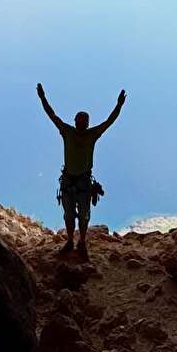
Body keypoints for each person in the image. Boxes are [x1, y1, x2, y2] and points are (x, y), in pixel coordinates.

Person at [37, 82, 126, 259]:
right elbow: (52, 115)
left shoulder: (91, 134)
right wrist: (43, 98)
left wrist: (119, 105)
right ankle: (71, 241)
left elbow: (109, 121)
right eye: (80, 118)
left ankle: (82, 243)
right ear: (75, 121)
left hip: (82, 181)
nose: (82, 121)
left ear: (87, 123)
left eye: (85, 119)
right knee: (69, 215)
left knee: (84, 216)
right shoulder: (67, 131)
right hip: (70, 180)